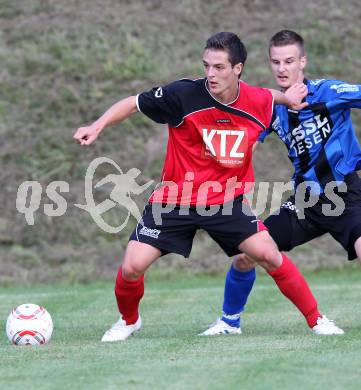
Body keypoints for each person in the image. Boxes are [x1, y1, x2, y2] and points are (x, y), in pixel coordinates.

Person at [74, 31, 339, 342]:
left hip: (226, 200)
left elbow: (267, 95)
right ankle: (129, 321)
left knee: (268, 254)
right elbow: (132, 104)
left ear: (237, 68)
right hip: (174, 199)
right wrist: (96, 125)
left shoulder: (259, 101)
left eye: (219, 67)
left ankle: (316, 319)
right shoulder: (182, 95)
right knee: (132, 266)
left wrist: (289, 98)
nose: (211, 74)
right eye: (207, 66)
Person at [202, 29, 361, 336]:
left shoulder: (329, 92)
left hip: (346, 196)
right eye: (276, 62)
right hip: (304, 202)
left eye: (289, 61)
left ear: (303, 62)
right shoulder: (270, 106)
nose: (282, 68)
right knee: (248, 255)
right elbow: (246, 145)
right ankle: (229, 322)